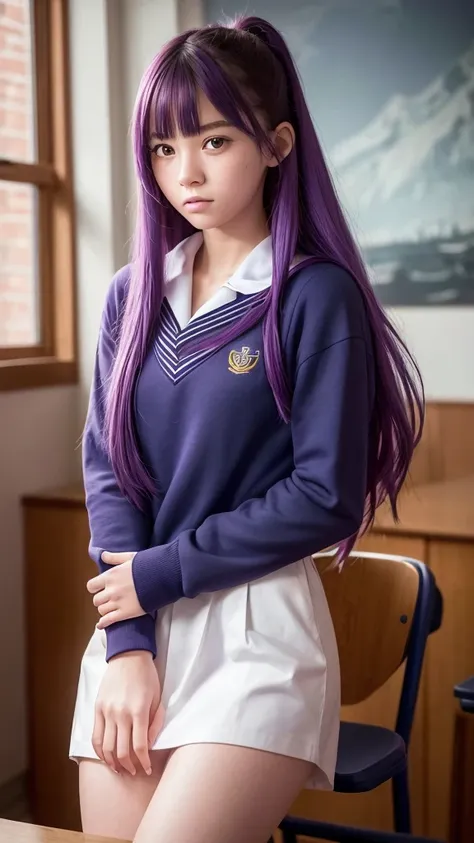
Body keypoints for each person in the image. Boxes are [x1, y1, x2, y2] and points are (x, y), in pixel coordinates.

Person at [68, 14, 423, 843]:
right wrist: (127, 639)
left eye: (215, 141)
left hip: (257, 633)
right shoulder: (133, 293)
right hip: (138, 624)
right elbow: (109, 468)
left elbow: (326, 495)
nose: (183, 172)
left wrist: (161, 574)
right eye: (162, 148)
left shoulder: (313, 296)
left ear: (277, 144)